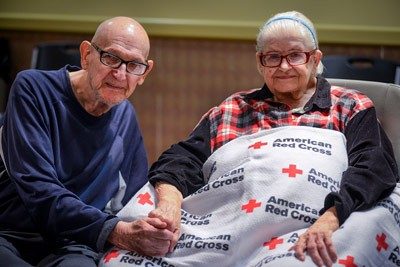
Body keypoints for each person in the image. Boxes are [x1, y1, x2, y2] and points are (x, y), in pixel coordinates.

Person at [143, 11, 398, 267]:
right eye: (273, 57)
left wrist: (331, 217)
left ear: (315, 59)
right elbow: (180, 160)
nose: (284, 66)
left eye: (295, 55)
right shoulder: (232, 109)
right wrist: (169, 204)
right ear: (259, 62)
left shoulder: (349, 105)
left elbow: (374, 167)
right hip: (230, 231)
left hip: (317, 224)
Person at [0, 16, 182, 267]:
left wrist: (159, 222)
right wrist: (116, 231)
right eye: (111, 58)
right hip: (13, 234)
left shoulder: (125, 115)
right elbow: (39, 191)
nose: (120, 74)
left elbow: (136, 194)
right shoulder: (33, 88)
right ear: (86, 55)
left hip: (76, 243)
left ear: (144, 72)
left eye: (134, 65)